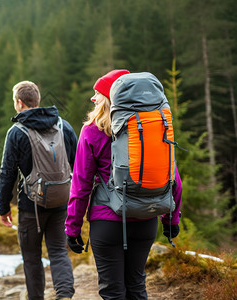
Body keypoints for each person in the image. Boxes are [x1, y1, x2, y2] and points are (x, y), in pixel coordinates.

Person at [65, 70, 182, 299]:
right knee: (137, 286)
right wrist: (171, 220)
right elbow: (173, 180)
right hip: (146, 219)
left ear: (108, 98)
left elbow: (81, 186)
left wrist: (73, 228)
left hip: (107, 223)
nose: (94, 99)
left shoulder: (91, 131)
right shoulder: (152, 128)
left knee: (113, 291)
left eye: (97, 94)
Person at [0, 81, 78, 300]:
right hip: (62, 202)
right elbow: (78, 165)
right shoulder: (64, 126)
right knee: (59, 252)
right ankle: (64, 295)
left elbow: (7, 174)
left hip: (30, 207)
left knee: (32, 257)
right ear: (37, 101)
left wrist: (3, 207)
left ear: (19, 103)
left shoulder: (16, 132)